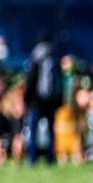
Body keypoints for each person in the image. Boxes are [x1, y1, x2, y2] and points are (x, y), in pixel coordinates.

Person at [24, 37, 62, 165]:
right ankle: (50, 157)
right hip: (51, 101)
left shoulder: (36, 57)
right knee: (51, 130)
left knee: (33, 130)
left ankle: (32, 158)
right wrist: (58, 101)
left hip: (37, 101)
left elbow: (31, 81)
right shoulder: (54, 57)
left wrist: (27, 99)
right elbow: (60, 82)